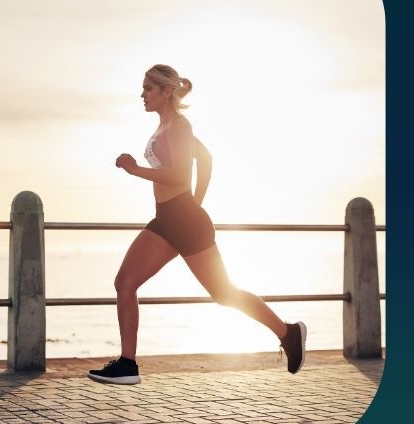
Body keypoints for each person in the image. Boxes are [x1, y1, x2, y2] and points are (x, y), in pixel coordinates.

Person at [87, 64, 307, 385]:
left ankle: (288, 333)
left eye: (148, 88)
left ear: (165, 91)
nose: (142, 94)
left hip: (184, 221)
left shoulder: (180, 125)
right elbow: (206, 160)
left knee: (224, 293)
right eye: (143, 88)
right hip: (167, 219)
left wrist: (137, 170)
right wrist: (193, 203)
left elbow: (179, 174)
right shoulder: (166, 127)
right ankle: (128, 364)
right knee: (125, 282)